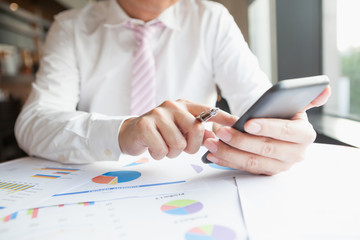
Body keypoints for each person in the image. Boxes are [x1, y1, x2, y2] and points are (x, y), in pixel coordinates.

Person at [15, 0, 330, 175]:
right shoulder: (70, 26)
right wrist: (123, 131)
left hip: (190, 182)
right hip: (95, 179)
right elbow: (32, 124)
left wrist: (276, 135)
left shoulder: (212, 19)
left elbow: (257, 105)